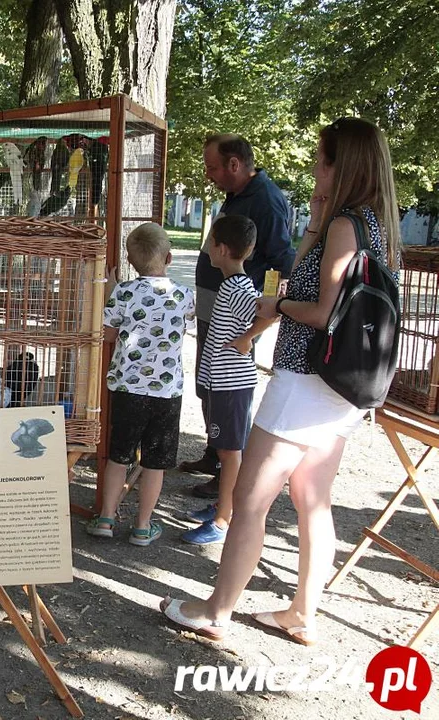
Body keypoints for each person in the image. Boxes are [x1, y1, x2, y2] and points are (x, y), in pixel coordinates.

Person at [160, 118, 401, 645]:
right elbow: (312, 270)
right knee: (313, 499)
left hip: (302, 381)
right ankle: (302, 613)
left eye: (322, 160)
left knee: (249, 501)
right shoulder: (370, 223)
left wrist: (277, 305)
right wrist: (316, 217)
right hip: (339, 390)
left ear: (342, 164)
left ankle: (216, 610)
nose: (315, 168)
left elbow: (319, 310)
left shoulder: (345, 226)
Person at [180, 135, 295, 499]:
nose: (208, 174)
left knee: (226, 390)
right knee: (208, 382)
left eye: (212, 167)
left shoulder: (267, 201)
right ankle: (215, 454)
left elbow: (281, 262)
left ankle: (227, 468)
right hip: (215, 305)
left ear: (234, 164)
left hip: (235, 315)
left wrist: (256, 324)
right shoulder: (238, 195)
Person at [86, 223, 195, 546]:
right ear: (170, 257)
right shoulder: (183, 295)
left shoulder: (124, 292)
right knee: (154, 462)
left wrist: (112, 293)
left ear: (131, 262)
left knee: (119, 455)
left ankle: (106, 517)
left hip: (127, 389)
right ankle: (143, 526)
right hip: (165, 391)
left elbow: (107, 334)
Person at [182, 215, 269, 545]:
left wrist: (249, 337)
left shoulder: (237, 287)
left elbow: (268, 311)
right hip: (224, 383)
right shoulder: (233, 284)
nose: (207, 251)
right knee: (225, 448)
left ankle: (222, 520)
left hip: (232, 384)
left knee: (229, 452)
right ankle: (224, 504)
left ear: (220, 248)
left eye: (209, 244)